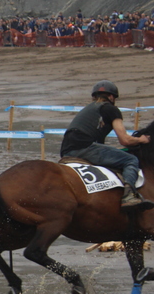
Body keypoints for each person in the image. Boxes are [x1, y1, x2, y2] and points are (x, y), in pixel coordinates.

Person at [60, 80, 153, 211]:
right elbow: (125, 140)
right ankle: (129, 196)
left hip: (66, 150)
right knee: (131, 160)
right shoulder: (110, 109)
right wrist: (141, 140)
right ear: (111, 97)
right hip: (84, 147)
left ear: (94, 96)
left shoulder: (88, 110)